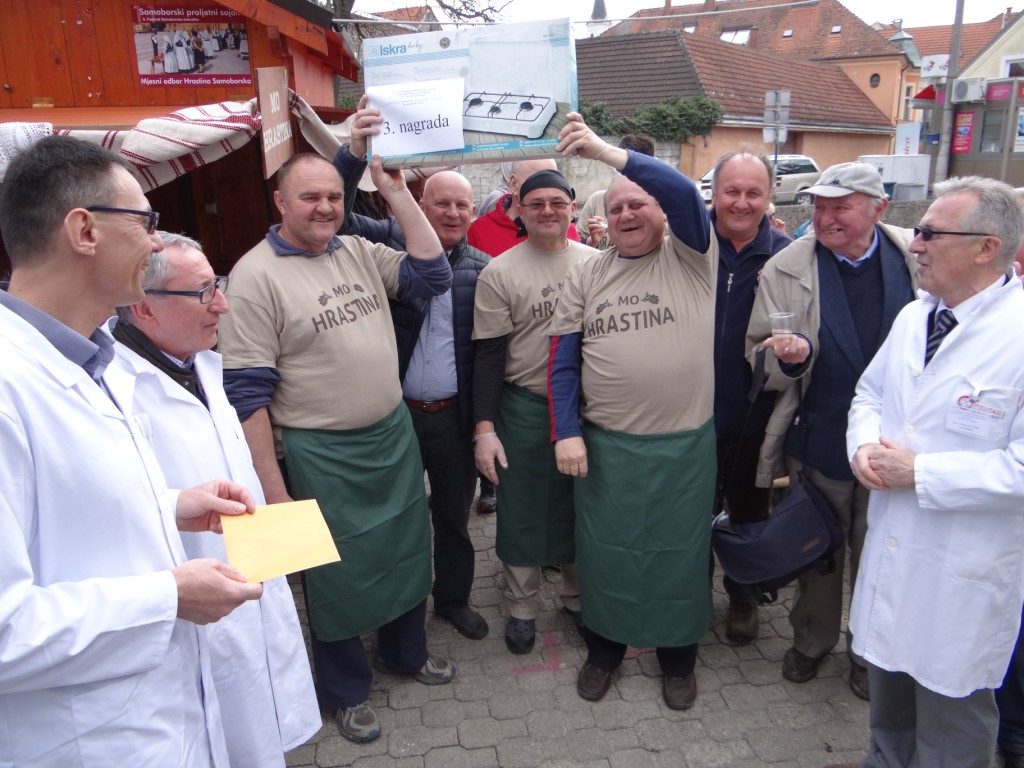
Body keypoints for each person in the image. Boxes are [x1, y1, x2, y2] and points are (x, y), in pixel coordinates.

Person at [0, 135, 262, 767]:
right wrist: (168, 598)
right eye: (145, 223)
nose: (155, 244)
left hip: (160, 721)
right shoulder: (10, 385)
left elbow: (60, 509)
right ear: (84, 231)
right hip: (88, 743)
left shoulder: (91, 359)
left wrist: (167, 505)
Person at [217, 152, 456, 744]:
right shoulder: (253, 277)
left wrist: (397, 193)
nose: (325, 208)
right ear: (280, 202)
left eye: (333, 197)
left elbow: (433, 275)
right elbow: (246, 394)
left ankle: (405, 652)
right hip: (322, 453)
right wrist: (273, 490)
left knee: (406, 550)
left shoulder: (355, 250)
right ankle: (346, 690)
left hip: (391, 436)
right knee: (335, 572)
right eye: (310, 197)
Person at [111, 233, 322, 768]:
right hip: (189, 598)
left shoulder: (203, 364)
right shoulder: (115, 391)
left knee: (258, 717)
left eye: (218, 285)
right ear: (144, 307)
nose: (222, 305)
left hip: (246, 567)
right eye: (204, 291)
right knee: (218, 731)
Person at [836, 176, 1024, 768]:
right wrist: (864, 447)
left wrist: (921, 473)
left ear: (987, 247)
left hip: (963, 569)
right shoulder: (915, 318)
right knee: (889, 702)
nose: (914, 244)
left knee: (953, 715)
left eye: (930, 233)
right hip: (896, 547)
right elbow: (869, 395)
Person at [548, 113, 715, 710]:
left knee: (680, 555)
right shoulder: (587, 274)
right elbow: (562, 362)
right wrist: (566, 432)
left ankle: (678, 658)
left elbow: (684, 192)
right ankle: (605, 648)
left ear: (660, 211)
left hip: (683, 447)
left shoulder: (692, 256)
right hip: (608, 447)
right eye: (616, 207)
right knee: (606, 552)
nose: (626, 214)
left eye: (638, 203)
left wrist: (605, 153)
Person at [746, 162, 917, 702]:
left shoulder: (915, 254)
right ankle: (811, 640)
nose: (825, 218)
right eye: (819, 207)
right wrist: (791, 360)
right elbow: (757, 355)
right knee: (818, 550)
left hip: (901, 444)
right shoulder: (786, 266)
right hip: (820, 433)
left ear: (878, 208)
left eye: (841, 207)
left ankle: (870, 652)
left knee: (884, 554)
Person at [332, 99, 490, 641]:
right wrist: (353, 153)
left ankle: (453, 600)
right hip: (394, 416)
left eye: (462, 205)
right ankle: (395, 605)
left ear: (474, 213)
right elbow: (337, 215)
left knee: (453, 517)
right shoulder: (384, 242)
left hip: (452, 418)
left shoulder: (484, 271)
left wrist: (483, 424)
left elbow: (489, 356)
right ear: (419, 204)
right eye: (440, 202)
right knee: (394, 517)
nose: (452, 213)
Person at [473, 167, 597, 655]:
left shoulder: (599, 264)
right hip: (525, 406)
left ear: (573, 208)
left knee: (580, 507)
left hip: (589, 409)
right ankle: (522, 606)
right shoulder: (500, 272)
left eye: (557, 202)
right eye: (536, 203)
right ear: (519, 211)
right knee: (522, 510)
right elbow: (488, 356)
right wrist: (485, 429)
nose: (548, 211)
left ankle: (577, 598)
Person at [709, 150, 791, 644]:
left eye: (753, 192)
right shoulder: (686, 246)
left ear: (769, 196)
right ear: (714, 193)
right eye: (732, 191)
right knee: (688, 514)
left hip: (753, 413)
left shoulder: (788, 257)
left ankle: (743, 594)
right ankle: (688, 594)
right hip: (689, 414)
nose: (741, 202)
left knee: (750, 510)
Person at [467, 157, 582, 258]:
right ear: (513, 184)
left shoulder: (565, 228)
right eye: (536, 181)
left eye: (552, 180)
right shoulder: (479, 232)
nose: (545, 188)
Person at [575, 133, 656, 250]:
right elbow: (575, 246)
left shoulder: (662, 205)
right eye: (624, 166)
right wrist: (592, 241)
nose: (625, 215)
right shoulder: (597, 200)